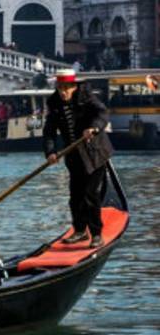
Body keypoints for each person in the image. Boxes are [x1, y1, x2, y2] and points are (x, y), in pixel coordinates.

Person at [42, 68, 114, 248]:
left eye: (66, 88)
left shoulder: (86, 96)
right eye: (60, 88)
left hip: (95, 152)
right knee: (75, 196)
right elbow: (49, 131)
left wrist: (94, 128)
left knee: (90, 195)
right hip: (73, 155)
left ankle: (96, 234)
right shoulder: (54, 102)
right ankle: (80, 231)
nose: (63, 92)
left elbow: (102, 113)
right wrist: (50, 152)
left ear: (74, 87)